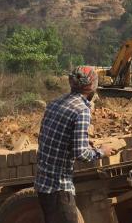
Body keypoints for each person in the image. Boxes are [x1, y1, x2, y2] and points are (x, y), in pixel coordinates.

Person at [35, 66, 111, 223]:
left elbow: (47, 137)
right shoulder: (82, 110)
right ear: (92, 87)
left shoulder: (54, 103)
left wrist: (79, 140)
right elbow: (81, 154)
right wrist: (102, 151)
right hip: (59, 188)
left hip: (42, 184)